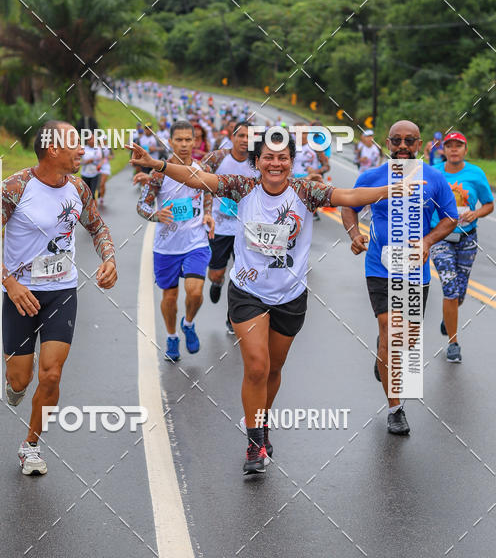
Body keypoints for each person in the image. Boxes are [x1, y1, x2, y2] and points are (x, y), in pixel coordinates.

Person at [129, 128, 412, 476]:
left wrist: (391, 190)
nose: (275, 163)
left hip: (290, 296)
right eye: (268, 157)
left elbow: (349, 195)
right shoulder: (242, 186)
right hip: (248, 293)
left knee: (274, 370)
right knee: (258, 366)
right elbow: (197, 177)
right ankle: (253, 442)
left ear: (291, 162)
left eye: (282, 157)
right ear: (257, 162)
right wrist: (157, 164)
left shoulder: (306, 191)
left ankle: (261, 424)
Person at [0, 121, 117, 475]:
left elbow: (98, 227)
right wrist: (10, 283)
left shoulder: (78, 188)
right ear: (52, 149)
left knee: (51, 375)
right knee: (21, 379)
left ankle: (30, 446)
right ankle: (14, 384)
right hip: (20, 295)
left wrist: (109, 258)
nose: (84, 151)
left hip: (61, 291)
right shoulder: (15, 188)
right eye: (75, 145)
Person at [341, 120, 458, 436]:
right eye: (396, 140)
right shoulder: (371, 178)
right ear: (387, 143)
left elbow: (450, 218)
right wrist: (354, 233)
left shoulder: (433, 179)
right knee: (391, 330)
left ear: (420, 144)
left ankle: (384, 348)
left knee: (406, 341)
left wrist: (428, 241)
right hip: (380, 267)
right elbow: (349, 205)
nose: (403, 146)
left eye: (410, 140)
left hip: (415, 269)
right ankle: (396, 409)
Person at [136, 120, 215, 362]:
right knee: (169, 298)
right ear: (170, 142)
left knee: (195, 292)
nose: (183, 144)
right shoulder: (159, 174)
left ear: (195, 141)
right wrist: (156, 215)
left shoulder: (203, 170)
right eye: (178, 140)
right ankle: (172, 337)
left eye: (187, 139)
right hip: (166, 246)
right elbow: (142, 205)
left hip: (196, 242)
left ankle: (188, 323)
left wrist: (209, 214)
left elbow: (208, 192)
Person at [429, 131, 494, 362]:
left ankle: (450, 315)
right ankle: (453, 343)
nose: (454, 149)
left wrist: (476, 212)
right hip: (440, 237)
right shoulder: (434, 172)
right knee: (450, 288)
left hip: (467, 239)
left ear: (465, 150)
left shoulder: (475, 174)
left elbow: (489, 204)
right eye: (450, 146)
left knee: (460, 292)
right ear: (443, 150)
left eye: (459, 145)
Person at [203, 121, 259, 332]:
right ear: (233, 137)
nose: (245, 140)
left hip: (246, 229)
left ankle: (232, 317)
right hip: (219, 226)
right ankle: (217, 283)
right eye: (241, 135)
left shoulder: (258, 160)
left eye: (250, 137)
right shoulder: (218, 157)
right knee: (216, 273)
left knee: (242, 276)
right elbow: (196, 176)